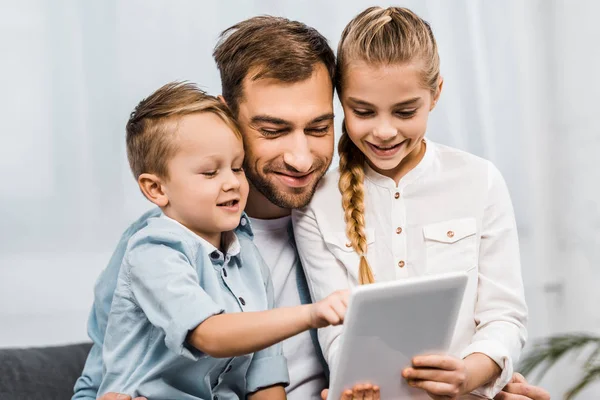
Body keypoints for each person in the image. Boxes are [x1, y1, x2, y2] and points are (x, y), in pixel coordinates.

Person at [74, 14, 549, 400]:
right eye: (274, 130)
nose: (302, 159)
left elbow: (409, 359)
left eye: (319, 128)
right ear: (226, 115)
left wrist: (481, 386)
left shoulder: (352, 211)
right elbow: (102, 378)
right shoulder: (170, 239)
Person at [293, 6, 529, 400]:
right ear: (340, 100)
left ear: (436, 93)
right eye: (362, 111)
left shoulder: (479, 180)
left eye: (405, 111)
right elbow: (335, 335)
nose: (384, 131)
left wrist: (468, 375)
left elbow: (505, 316)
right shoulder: (315, 202)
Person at [94, 82, 349, 399]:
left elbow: (265, 374)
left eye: (236, 167)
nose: (232, 183)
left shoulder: (248, 256)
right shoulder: (154, 250)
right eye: (210, 173)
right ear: (156, 189)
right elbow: (210, 335)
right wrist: (313, 314)